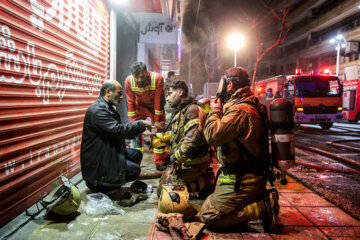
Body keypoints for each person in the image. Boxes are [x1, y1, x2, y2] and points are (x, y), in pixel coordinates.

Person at [199, 67, 279, 231]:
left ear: (230, 86)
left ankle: (265, 206)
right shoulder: (246, 103)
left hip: (244, 179)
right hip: (244, 174)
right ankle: (253, 202)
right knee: (208, 202)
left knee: (209, 216)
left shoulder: (240, 111)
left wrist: (215, 110)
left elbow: (213, 135)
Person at [80, 80, 152, 198]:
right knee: (134, 171)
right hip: (98, 161)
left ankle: (114, 181)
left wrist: (139, 128)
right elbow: (117, 130)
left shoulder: (106, 107)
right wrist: (139, 124)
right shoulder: (97, 110)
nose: (122, 97)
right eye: (119, 93)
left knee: (136, 154)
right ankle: (107, 187)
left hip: (106, 151)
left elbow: (118, 132)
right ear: (108, 92)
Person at [159, 80, 213, 197]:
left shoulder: (192, 110)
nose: (167, 98)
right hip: (185, 163)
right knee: (162, 188)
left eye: (169, 94)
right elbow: (177, 137)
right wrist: (158, 138)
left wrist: (173, 160)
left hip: (194, 164)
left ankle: (205, 182)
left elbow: (191, 143)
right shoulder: (181, 111)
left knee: (168, 192)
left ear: (180, 92)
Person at [125, 62, 168, 171]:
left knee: (159, 132)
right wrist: (133, 122)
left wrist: (157, 120)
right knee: (135, 132)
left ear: (147, 73)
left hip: (155, 108)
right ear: (132, 75)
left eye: (142, 76)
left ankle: (160, 162)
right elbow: (130, 102)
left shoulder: (157, 78)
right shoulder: (129, 81)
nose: (139, 80)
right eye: (136, 77)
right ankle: (136, 163)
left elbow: (159, 100)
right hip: (140, 107)